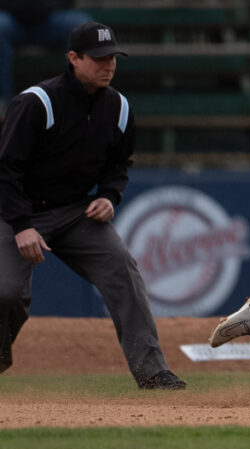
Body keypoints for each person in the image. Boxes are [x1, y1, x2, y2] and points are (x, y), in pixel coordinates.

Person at [0, 21, 186, 389]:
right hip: (15, 211)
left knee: (123, 273)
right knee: (7, 293)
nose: (108, 65)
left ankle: (152, 372)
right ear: (73, 58)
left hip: (75, 213)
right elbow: (5, 170)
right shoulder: (37, 102)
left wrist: (108, 195)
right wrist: (22, 225)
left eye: (112, 57)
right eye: (99, 58)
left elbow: (119, 164)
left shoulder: (118, 107)